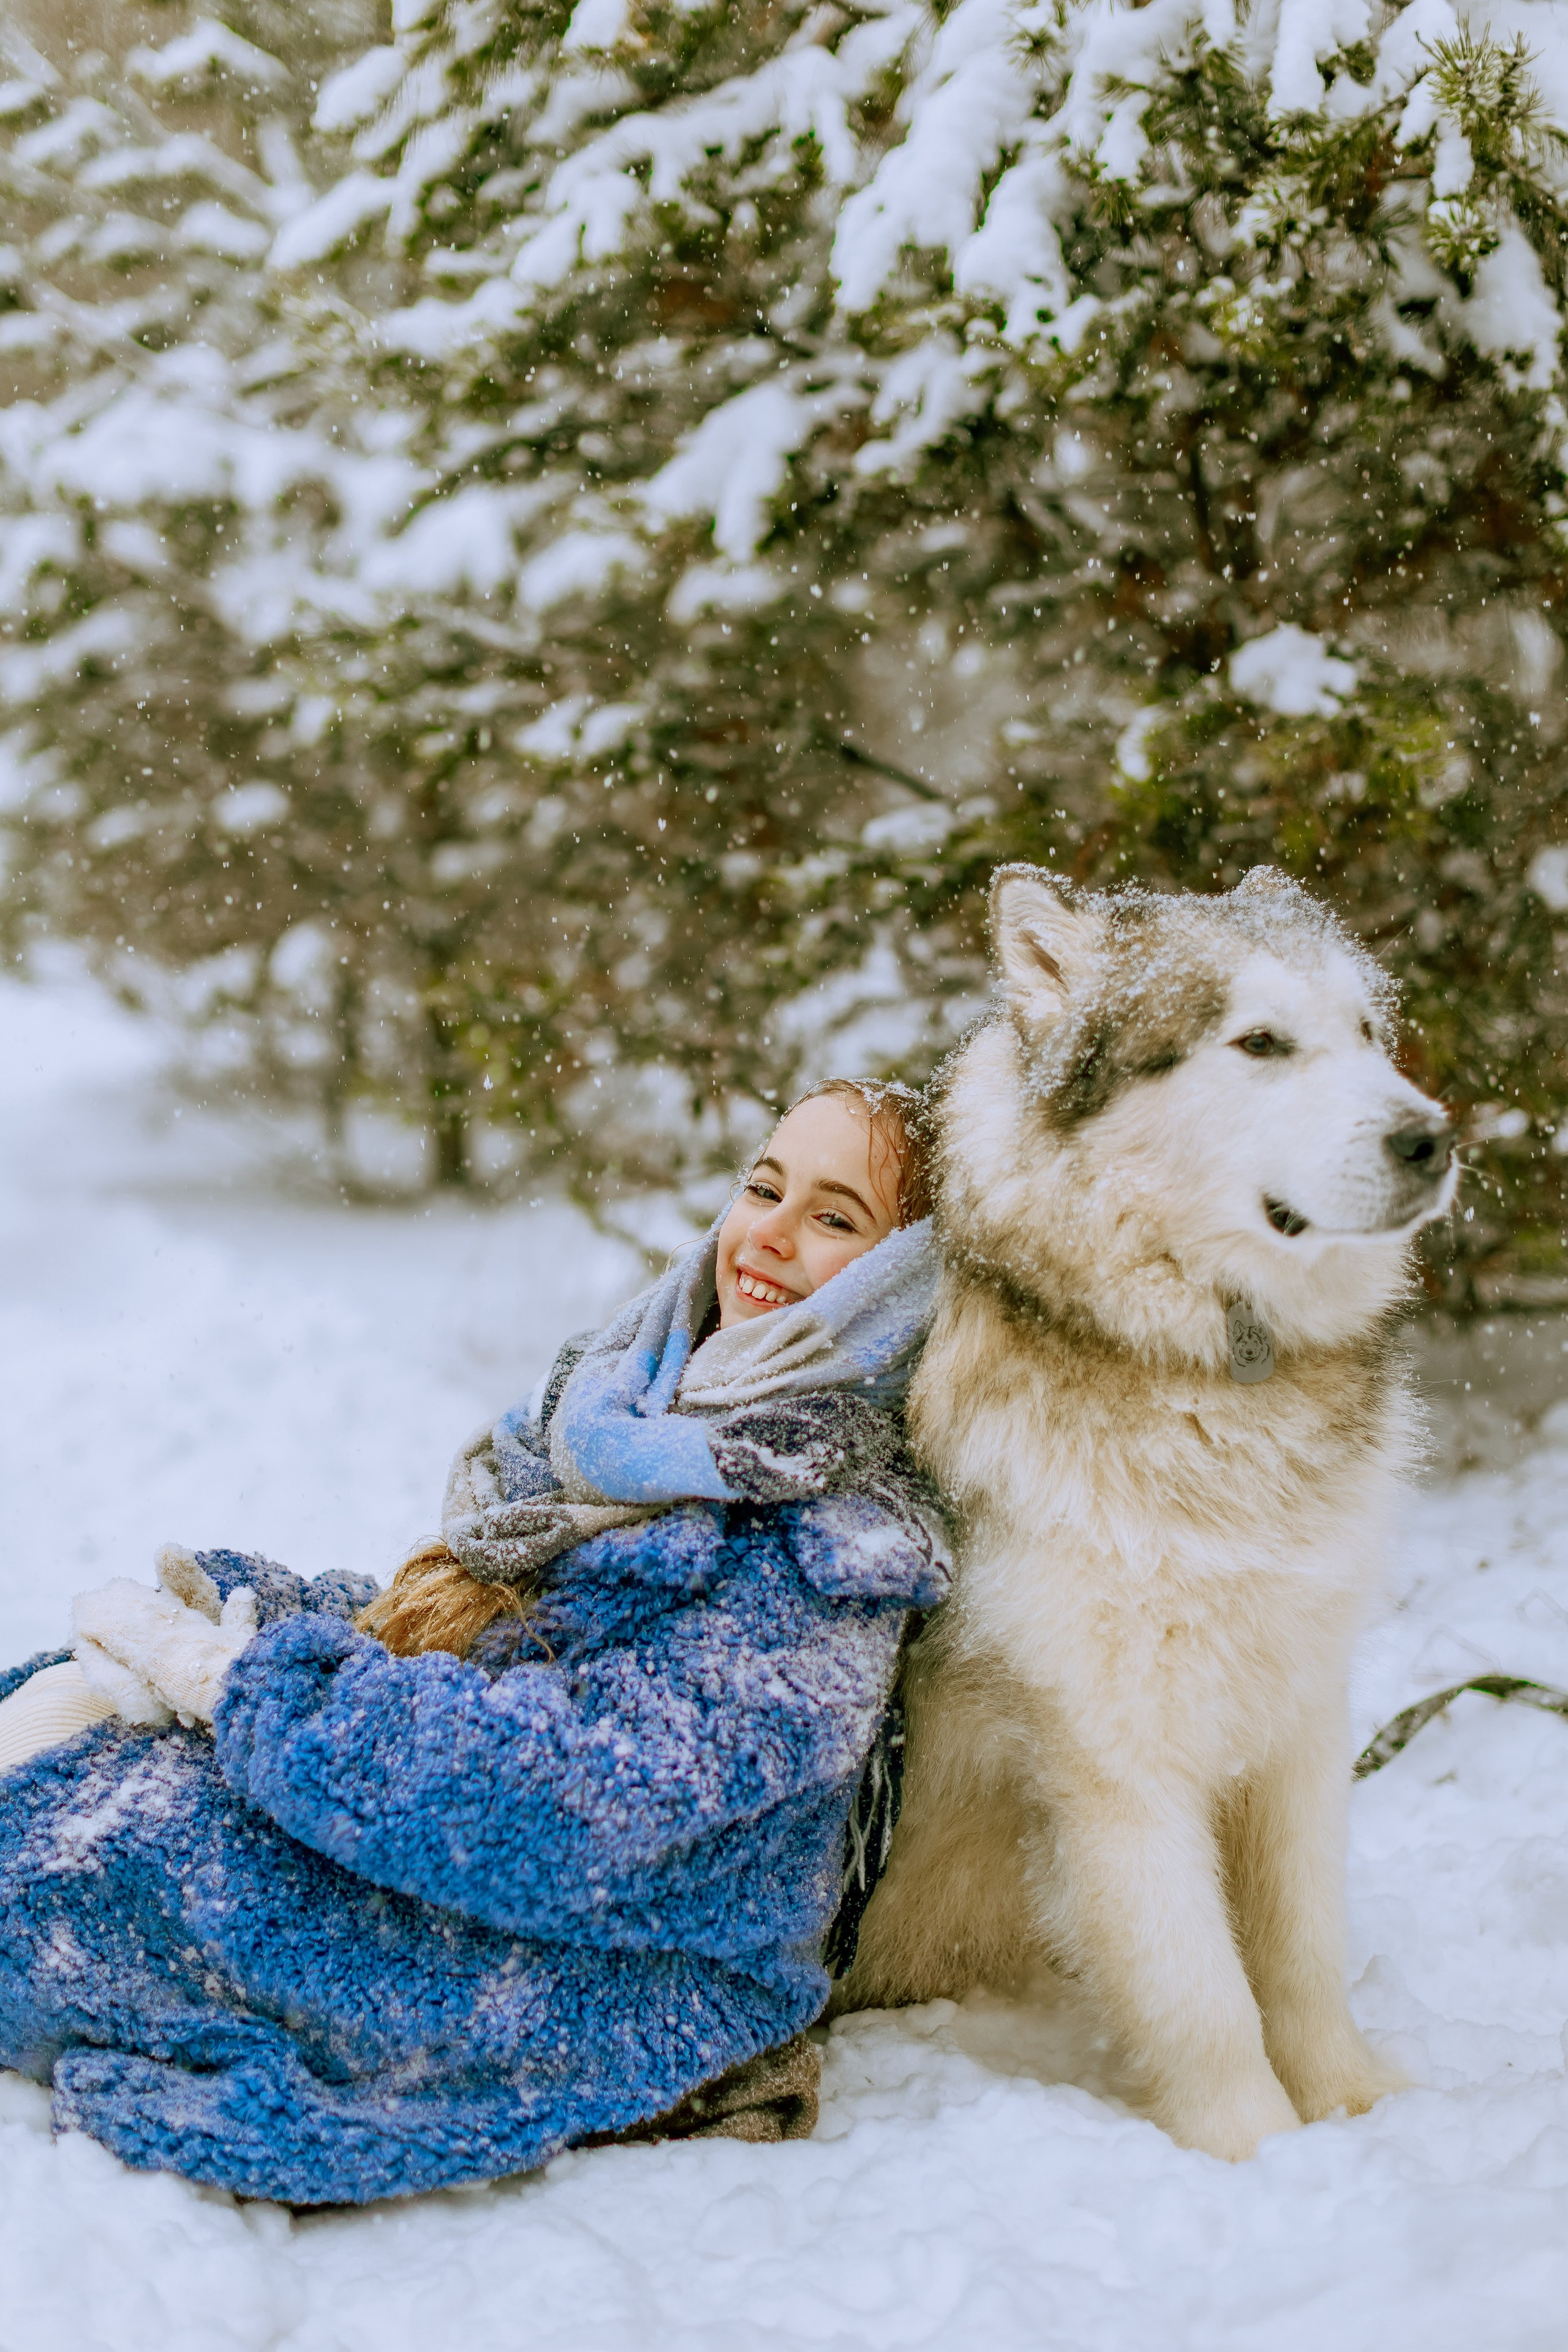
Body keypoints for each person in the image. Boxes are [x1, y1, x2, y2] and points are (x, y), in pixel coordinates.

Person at [0, 1081, 947, 2204]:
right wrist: (266, 1613)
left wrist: (247, 1686)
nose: (771, 1234)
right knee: (65, 1705)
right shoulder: (639, 1426)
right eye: (764, 1187)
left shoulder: (826, 1555)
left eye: (835, 1217)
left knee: (95, 1856)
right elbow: (501, 1650)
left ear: (900, 1282)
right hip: (488, 1879)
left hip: (602, 1970)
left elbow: (580, 1800)